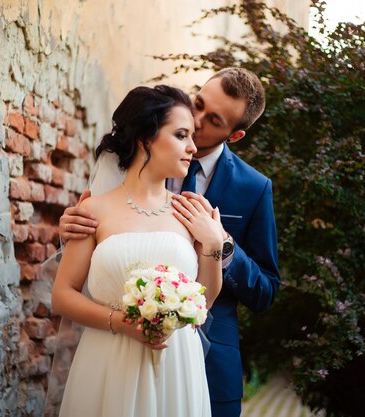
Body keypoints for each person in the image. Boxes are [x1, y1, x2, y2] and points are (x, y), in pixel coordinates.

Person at [59, 68, 281, 417]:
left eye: (213, 119)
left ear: (234, 135)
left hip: (202, 365)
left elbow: (266, 289)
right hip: (115, 353)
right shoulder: (123, 161)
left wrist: (222, 246)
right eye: (198, 103)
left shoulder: (253, 189)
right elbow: (95, 235)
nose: (196, 118)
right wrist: (71, 225)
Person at [51, 85, 224, 417]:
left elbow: (205, 301)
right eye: (181, 135)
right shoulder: (93, 210)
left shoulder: (191, 214)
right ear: (146, 138)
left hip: (177, 361)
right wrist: (121, 322)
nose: (192, 147)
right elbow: (62, 295)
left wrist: (214, 245)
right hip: (108, 357)